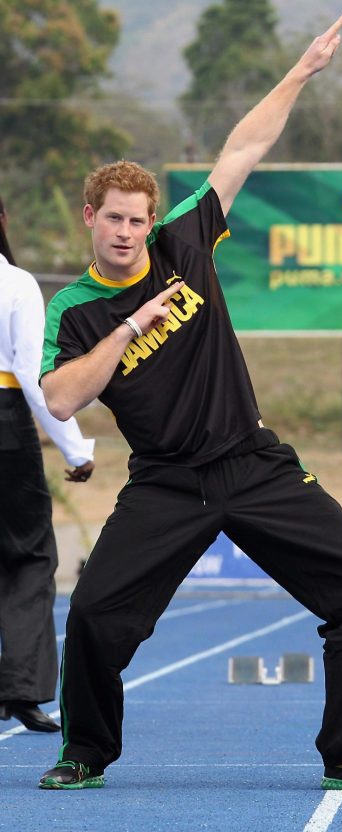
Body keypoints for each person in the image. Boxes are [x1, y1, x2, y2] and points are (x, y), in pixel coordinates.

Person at [35, 17, 342, 793]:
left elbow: (242, 149)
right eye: (115, 219)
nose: (129, 232)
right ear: (90, 220)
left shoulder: (183, 243)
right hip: (166, 483)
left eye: (139, 218)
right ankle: (84, 753)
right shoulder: (71, 309)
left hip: (254, 463)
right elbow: (62, 398)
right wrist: (133, 322)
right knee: (97, 618)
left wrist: (301, 71)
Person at [0, 195, 95, 734]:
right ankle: (21, 691)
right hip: (6, 424)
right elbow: (36, 377)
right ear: (4, 221)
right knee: (29, 556)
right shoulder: (15, 284)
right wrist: (76, 450)